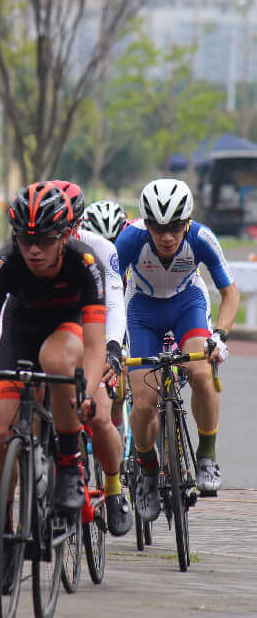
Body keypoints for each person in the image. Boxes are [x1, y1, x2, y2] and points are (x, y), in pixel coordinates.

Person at [0, 181, 107, 593]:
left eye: (45, 239)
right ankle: (3, 539)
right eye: (25, 239)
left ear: (66, 235)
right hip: (22, 330)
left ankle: (69, 464)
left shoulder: (86, 264)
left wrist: (86, 392)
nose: (33, 249)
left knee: (57, 362)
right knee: (1, 432)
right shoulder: (4, 264)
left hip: (67, 328)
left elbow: (93, 348)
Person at [116, 178, 239, 517]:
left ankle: (207, 457)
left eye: (174, 226)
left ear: (187, 222)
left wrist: (220, 336)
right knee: (143, 402)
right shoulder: (129, 241)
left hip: (187, 305)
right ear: (146, 223)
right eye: (157, 227)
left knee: (201, 371)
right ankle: (148, 472)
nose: (167, 236)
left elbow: (230, 294)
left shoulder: (200, 238)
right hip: (141, 311)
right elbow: (108, 291)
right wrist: (112, 342)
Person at [50, 180, 132, 536]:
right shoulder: (29, 248)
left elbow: (115, 300)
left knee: (99, 416)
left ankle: (113, 491)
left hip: (89, 327)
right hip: (47, 329)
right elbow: (7, 317)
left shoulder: (98, 248)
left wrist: (113, 348)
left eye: (67, 226)